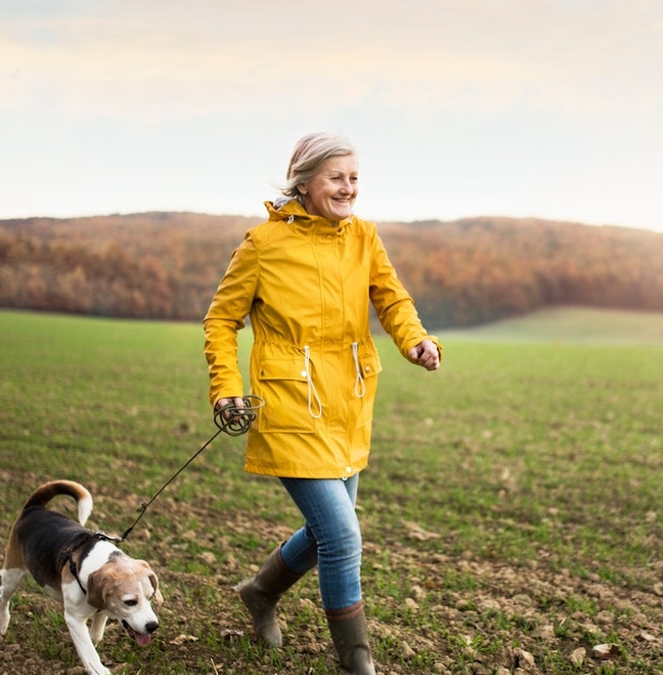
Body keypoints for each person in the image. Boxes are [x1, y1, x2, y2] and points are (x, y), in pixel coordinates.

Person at [202, 132, 441, 674]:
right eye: (336, 177)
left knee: (327, 530)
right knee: (341, 536)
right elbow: (221, 319)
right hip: (287, 401)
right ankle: (358, 666)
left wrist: (416, 340)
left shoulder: (365, 237)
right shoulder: (263, 244)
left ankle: (260, 593)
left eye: (354, 177)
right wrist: (226, 386)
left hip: (348, 401)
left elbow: (391, 298)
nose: (348, 188)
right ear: (304, 181)